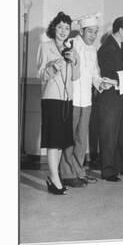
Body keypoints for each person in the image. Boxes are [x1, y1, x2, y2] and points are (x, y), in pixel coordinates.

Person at [61, 13, 110, 188]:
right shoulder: (71, 44)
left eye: (96, 32)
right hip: (71, 99)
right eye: (90, 32)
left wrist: (101, 84)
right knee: (68, 139)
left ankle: (78, 170)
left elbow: (95, 74)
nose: (93, 36)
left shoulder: (92, 50)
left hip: (86, 101)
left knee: (81, 139)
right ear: (81, 31)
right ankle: (67, 174)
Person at [36, 11, 80, 194]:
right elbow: (39, 74)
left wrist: (73, 62)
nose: (63, 31)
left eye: (67, 28)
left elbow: (76, 77)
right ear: (54, 28)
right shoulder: (45, 47)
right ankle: (54, 179)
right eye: (60, 27)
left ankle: (55, 177)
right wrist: (53, 67)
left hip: (66, 99)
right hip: (52, 98)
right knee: (54, 141)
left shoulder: (71, 48)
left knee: (62, 141)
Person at [97, 16, 123, 182]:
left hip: (119, 98)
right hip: (110, 100)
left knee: (119, 135)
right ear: (120, 30)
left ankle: (118, 166)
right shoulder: (107, 48)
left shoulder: (120, 46)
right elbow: (107, 75)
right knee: (109, 136)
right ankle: (108, 171)